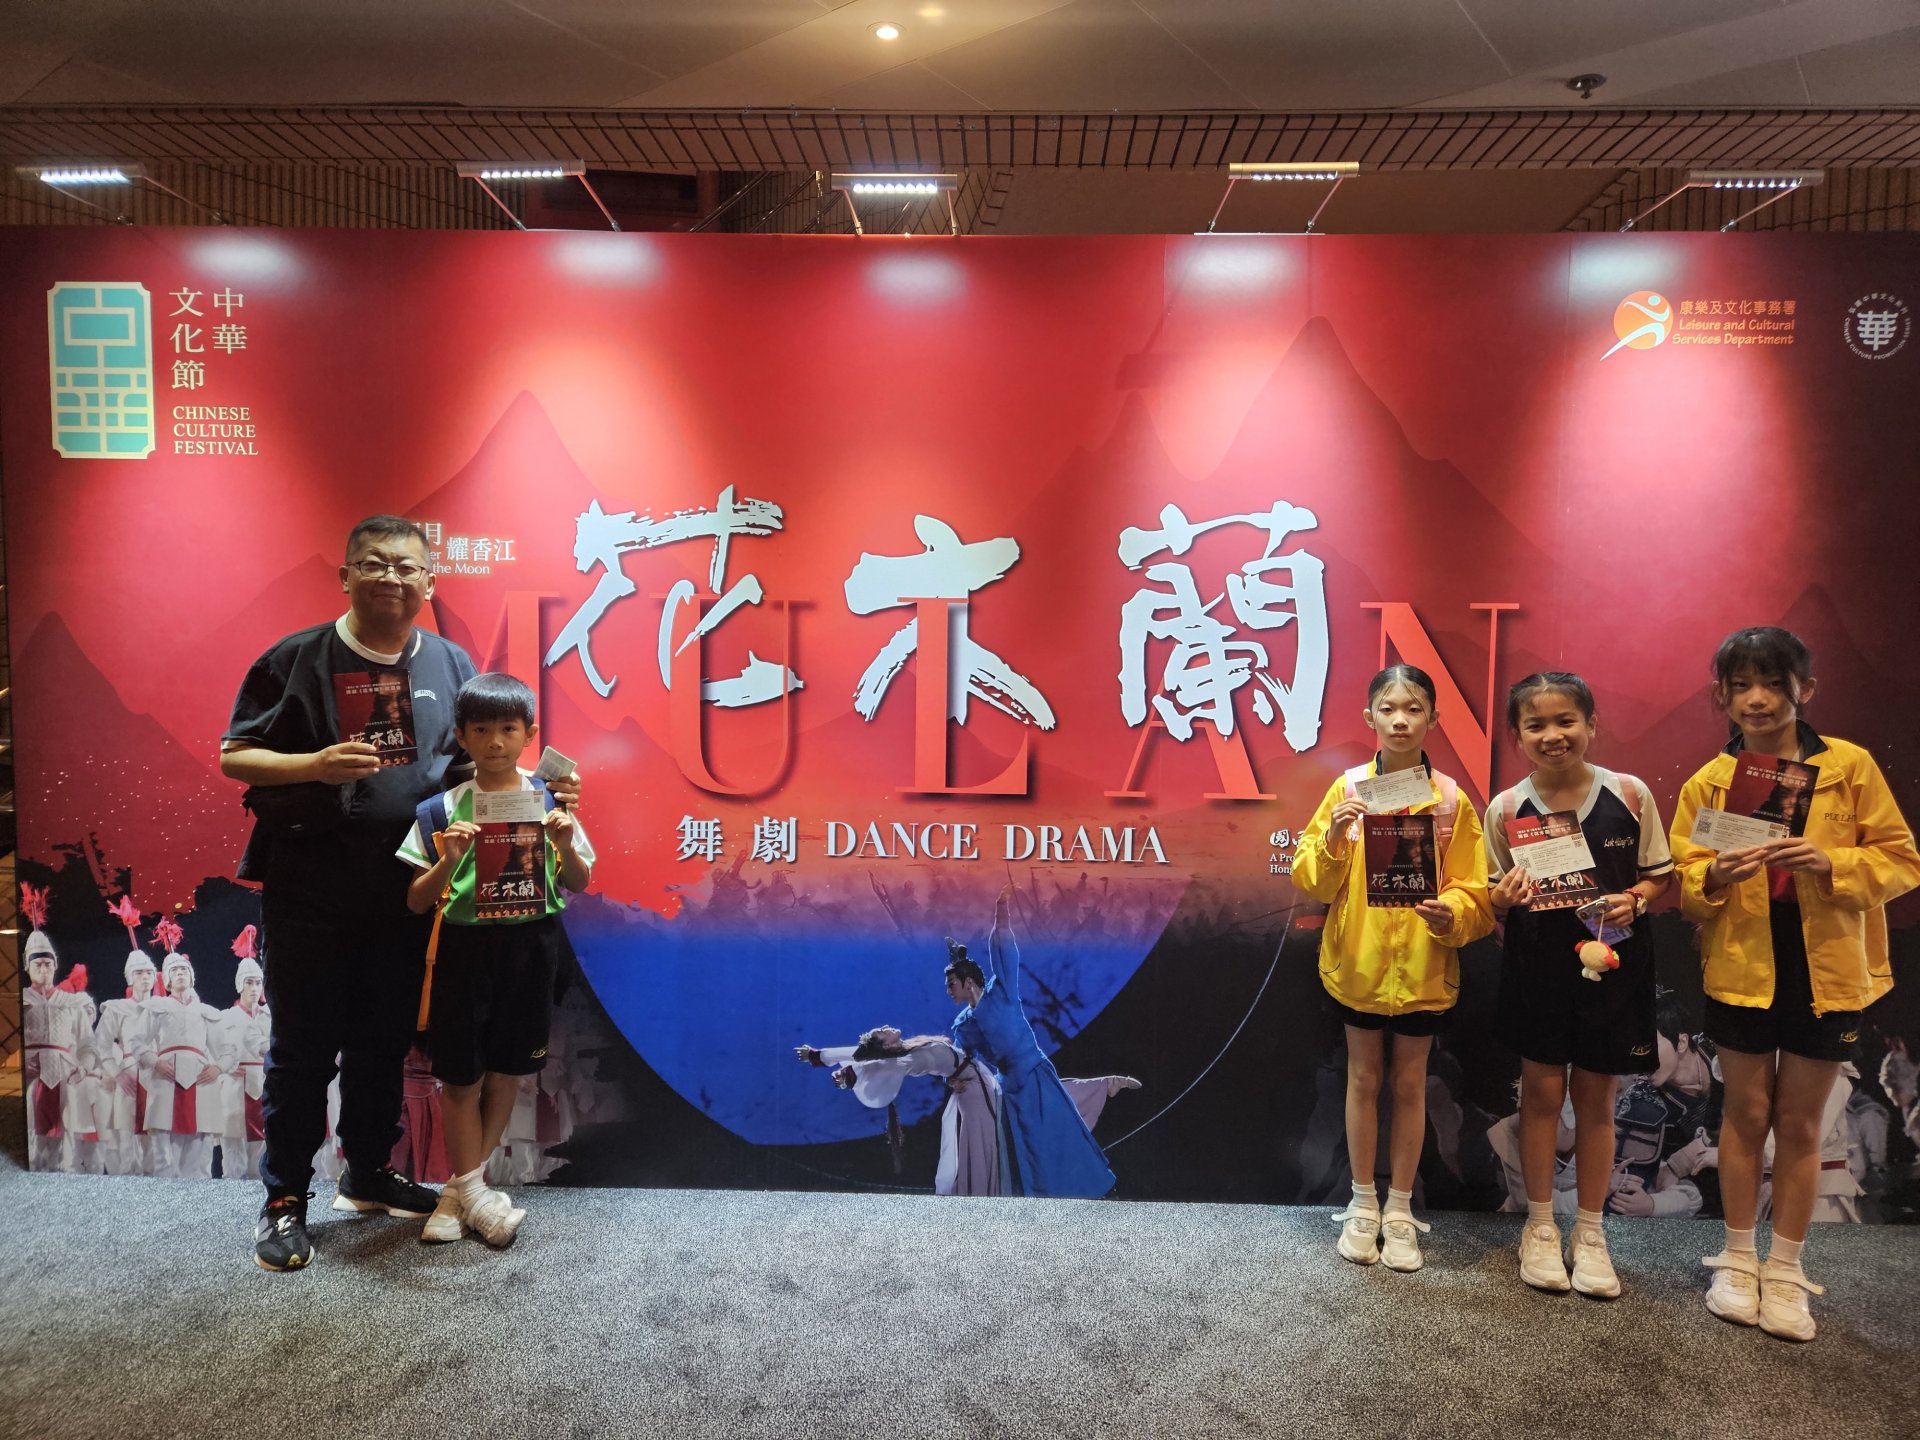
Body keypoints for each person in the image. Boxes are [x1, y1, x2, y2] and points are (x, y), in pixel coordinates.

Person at [222, 516, 581, 1271]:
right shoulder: (295, 658)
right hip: (310, 887)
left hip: (407, 889)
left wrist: (543, 794)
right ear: (345, 575)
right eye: (374, 563)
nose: (391, 576)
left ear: (429, 582)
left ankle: (368, 1171)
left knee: (384, 1041)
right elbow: (236, 755)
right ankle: (284, 1197)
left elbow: (471, 770)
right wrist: (315, 765)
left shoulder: (449, 662)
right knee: (303, 1048)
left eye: (406, 566)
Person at [1670, 626, 1919, 1342]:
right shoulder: (1709, 783)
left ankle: (1785, 1268)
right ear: (1722, 695)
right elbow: (1685, 882)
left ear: (1804, 690)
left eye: (1773, 683)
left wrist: (1832, 861)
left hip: (1827, 968)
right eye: (1741, 684)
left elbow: (1902, 861)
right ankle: (1737, 1260)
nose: (1757, 698)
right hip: (1743, 968)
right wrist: (1713, 875)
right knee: (1745, 1117)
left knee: (1802, 1125)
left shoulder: (1849, 767)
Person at [1293, 663, 1492, 1272]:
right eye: (1389, 708)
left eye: (1414, 709)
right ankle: (1362, 1201)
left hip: (1424, 968)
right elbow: (1312, 880)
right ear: (1369, 718)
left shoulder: (1451, 798)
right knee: (1361, 1080)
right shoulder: (1348, 790)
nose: (1401, 720)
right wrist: (1334, 839)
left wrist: (1451, 913)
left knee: (1411, 1086)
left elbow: (1475, 889)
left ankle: (1400, 1208)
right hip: (1359, 964)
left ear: (1433, 718)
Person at [1485, 671, 1673, 1299]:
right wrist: (1503, 897)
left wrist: (1635, 900)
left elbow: (1658, 876)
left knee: (1597, 1102)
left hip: (1614, 967)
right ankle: (1540, 1225)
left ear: (1591, 724)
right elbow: (1490, 892)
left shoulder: (1630, 793)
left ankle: (1590, 1233)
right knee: (1540, 1097)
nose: (1553, 735)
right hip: (1536, 968)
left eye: (1566, 720)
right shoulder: (1506, 808)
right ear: (1517, 736)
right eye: (1535, 724)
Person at [397, 672, 593, 1247]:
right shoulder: (439, 811)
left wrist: (563, 844)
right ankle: (473, 1195)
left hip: (531, 949)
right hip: (464, 951)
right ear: (461, 736)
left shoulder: (552, 802)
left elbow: (579, 880)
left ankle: (459, 1194)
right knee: (461, 1077)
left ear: (529, 734)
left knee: (507, 1070)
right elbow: (415, 901)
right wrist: (448, 858)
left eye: (508, 728)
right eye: (480, 730)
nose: (495, 741)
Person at [797, 1027, 1138, 1196]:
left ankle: (1102, 1086)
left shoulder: (911, 1046)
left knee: (1028, 1104)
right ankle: (985, 1200)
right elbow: (871, 1059)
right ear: (885, 1043)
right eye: (881, 1031)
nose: (886, 1026)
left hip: (979, 1083)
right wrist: (835, 1064)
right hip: (976, 1093)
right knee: (1011, 1123)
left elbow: (872, 1055)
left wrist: (827, 1058)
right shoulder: (904, 1059)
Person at [944, 885, 1116, 1198]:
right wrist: (955, 1078)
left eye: (952, 983)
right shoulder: (964, 1024)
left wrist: (1002, 915)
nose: (948, 990)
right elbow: (963, 1058)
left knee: (1057, 1137)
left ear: (968, 982)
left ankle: (1089, 1191)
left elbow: (1004, 952)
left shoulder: (1001, 992)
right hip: (1009, 1089)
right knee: (1027, 1154)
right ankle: (1037, 1204)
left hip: (1036, 1075)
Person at [95, 943, 159, 1175]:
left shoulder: (163, 1008)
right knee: (128, 1145)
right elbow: (100, 1044)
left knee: (157, 1146)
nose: (145, 977)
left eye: (149, 972)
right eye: (139, 973)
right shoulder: (118, 1009)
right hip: (129, 1076)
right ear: (130, 978)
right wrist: (117, 1073)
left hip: (158, 1077)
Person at [215, 928, 271, 1182]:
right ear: (240, 984)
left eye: (258, 982)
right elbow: (213, 1048)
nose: (254, 988)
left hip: (264, 1083)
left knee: (262, 1151)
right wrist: (226, 1066)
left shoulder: (270, 1017)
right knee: (233, 1149)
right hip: (235, 1085)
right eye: (249, 982)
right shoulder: (226, 1016)